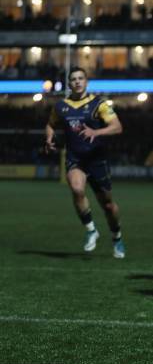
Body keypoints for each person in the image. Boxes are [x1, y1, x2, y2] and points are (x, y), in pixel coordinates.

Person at [45, 67, 126, 258]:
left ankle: (117, 237)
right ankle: (91, 230)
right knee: (77, 189)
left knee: (108, 205)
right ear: (69, 83)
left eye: (81, 78)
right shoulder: (61, 107)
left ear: (86, 81)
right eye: (73, 79)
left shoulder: (100, 104)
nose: (77, 82)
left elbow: (117, 127)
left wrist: (96, 132)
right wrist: (48, 139)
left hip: (97, 160)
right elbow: (50, 124)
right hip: (75, 158)